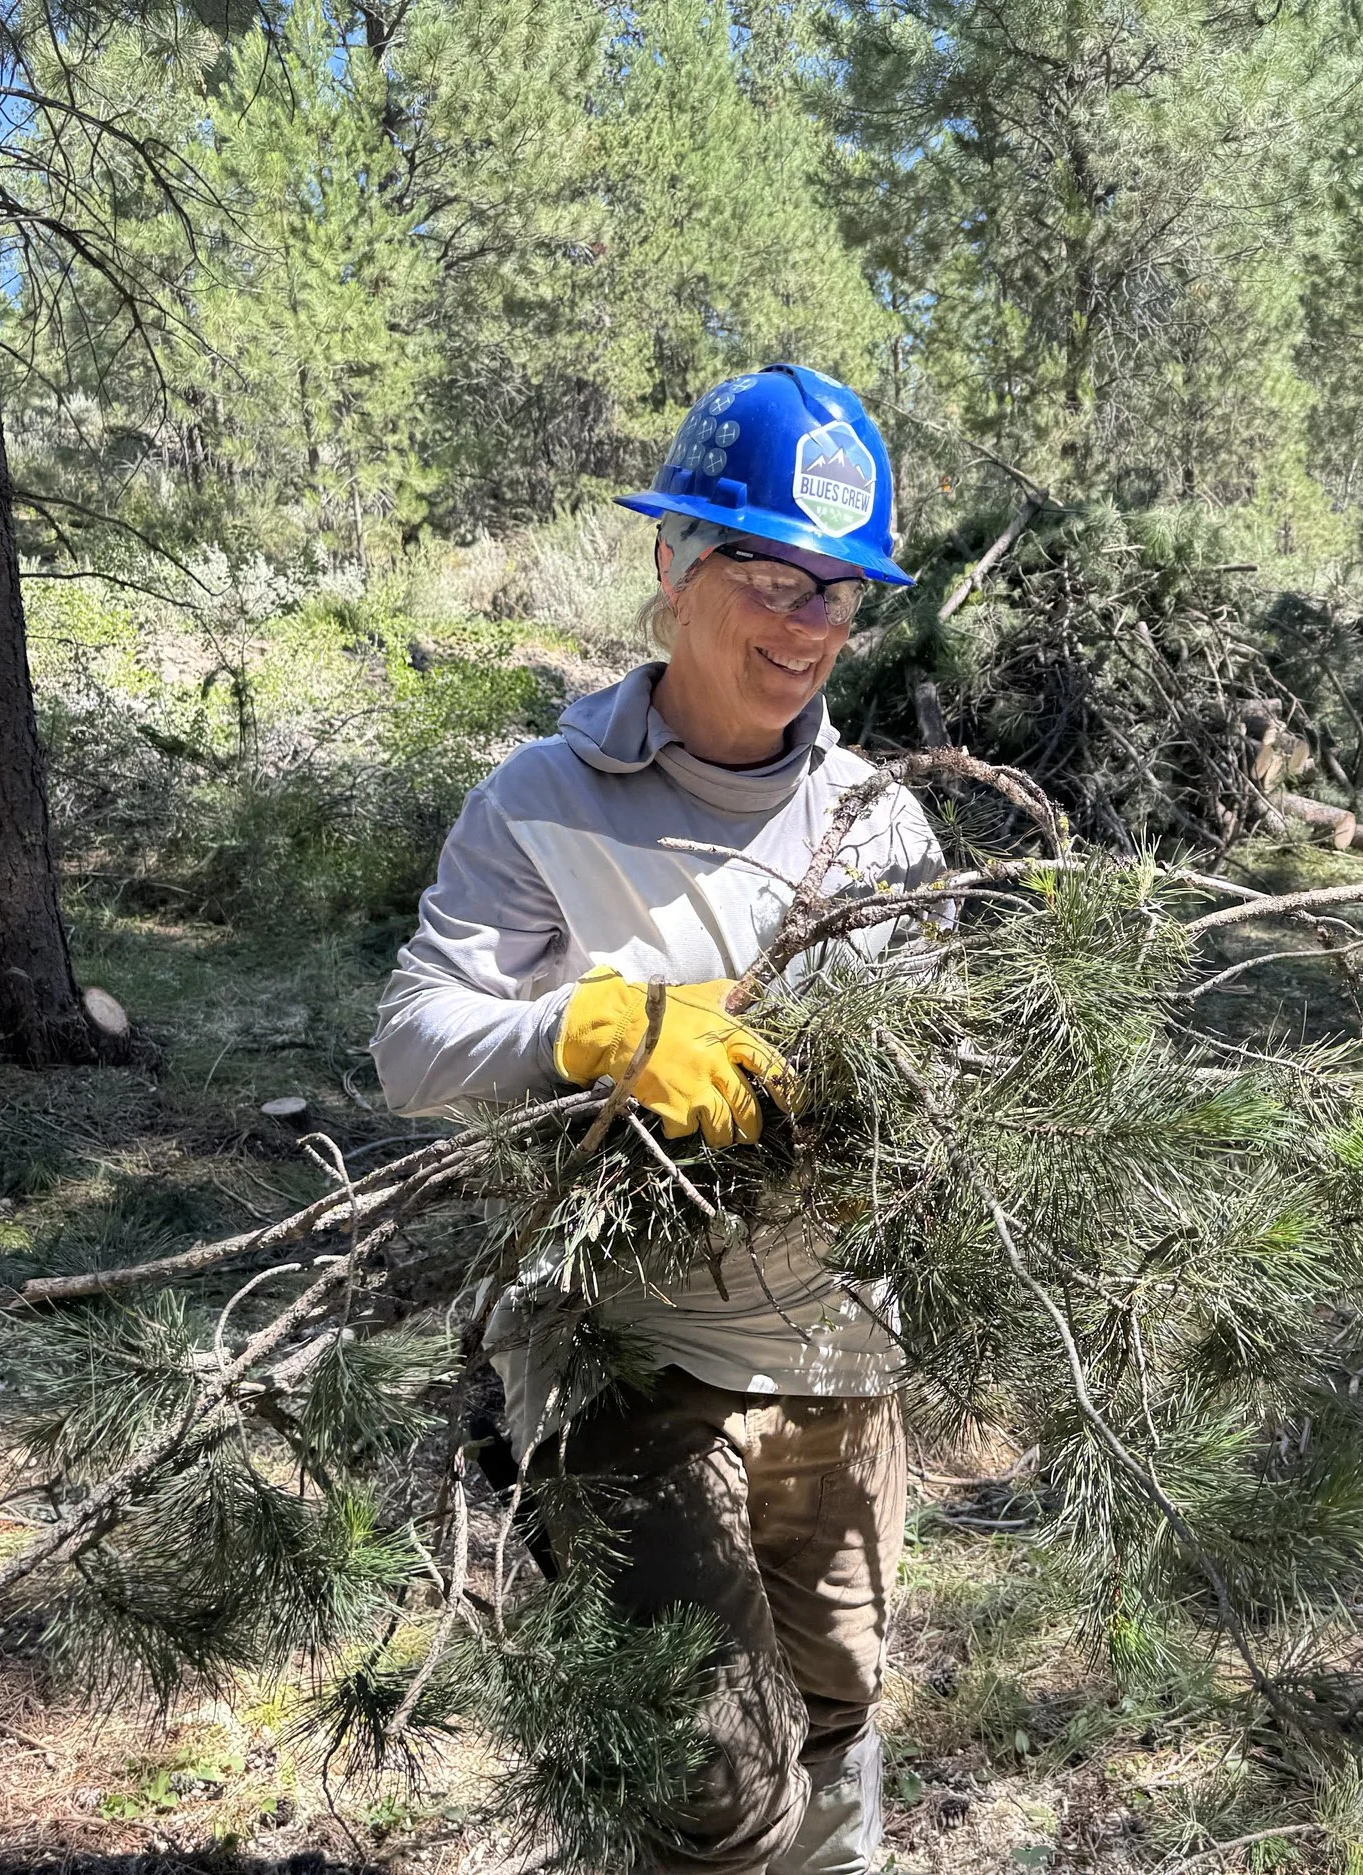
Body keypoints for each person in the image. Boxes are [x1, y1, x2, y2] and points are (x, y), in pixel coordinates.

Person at [369, 363, 944, 1875]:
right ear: (675, 563)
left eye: (840, 591)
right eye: (771, 573)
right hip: (632, 1360)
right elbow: (412, 1045)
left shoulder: (884, 821)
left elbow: (941, 1064)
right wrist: (592, 1030)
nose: (807, 623)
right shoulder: (539, 802)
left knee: (836, 1711)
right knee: (712, 1786)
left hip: (846, 1355)